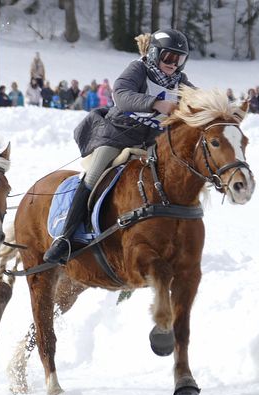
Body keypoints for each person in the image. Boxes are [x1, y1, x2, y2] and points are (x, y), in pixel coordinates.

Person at [45, 28, 195, 265]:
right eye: (168, 57)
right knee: (93, 175)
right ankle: (65, 237)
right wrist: (156, 104)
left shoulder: (181, 83)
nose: (173, 64)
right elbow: (121, 95)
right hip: (116, 136)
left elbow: (198, 103)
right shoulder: (139, 69)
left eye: (179, 59)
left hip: (152, 143)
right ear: (155, 54)